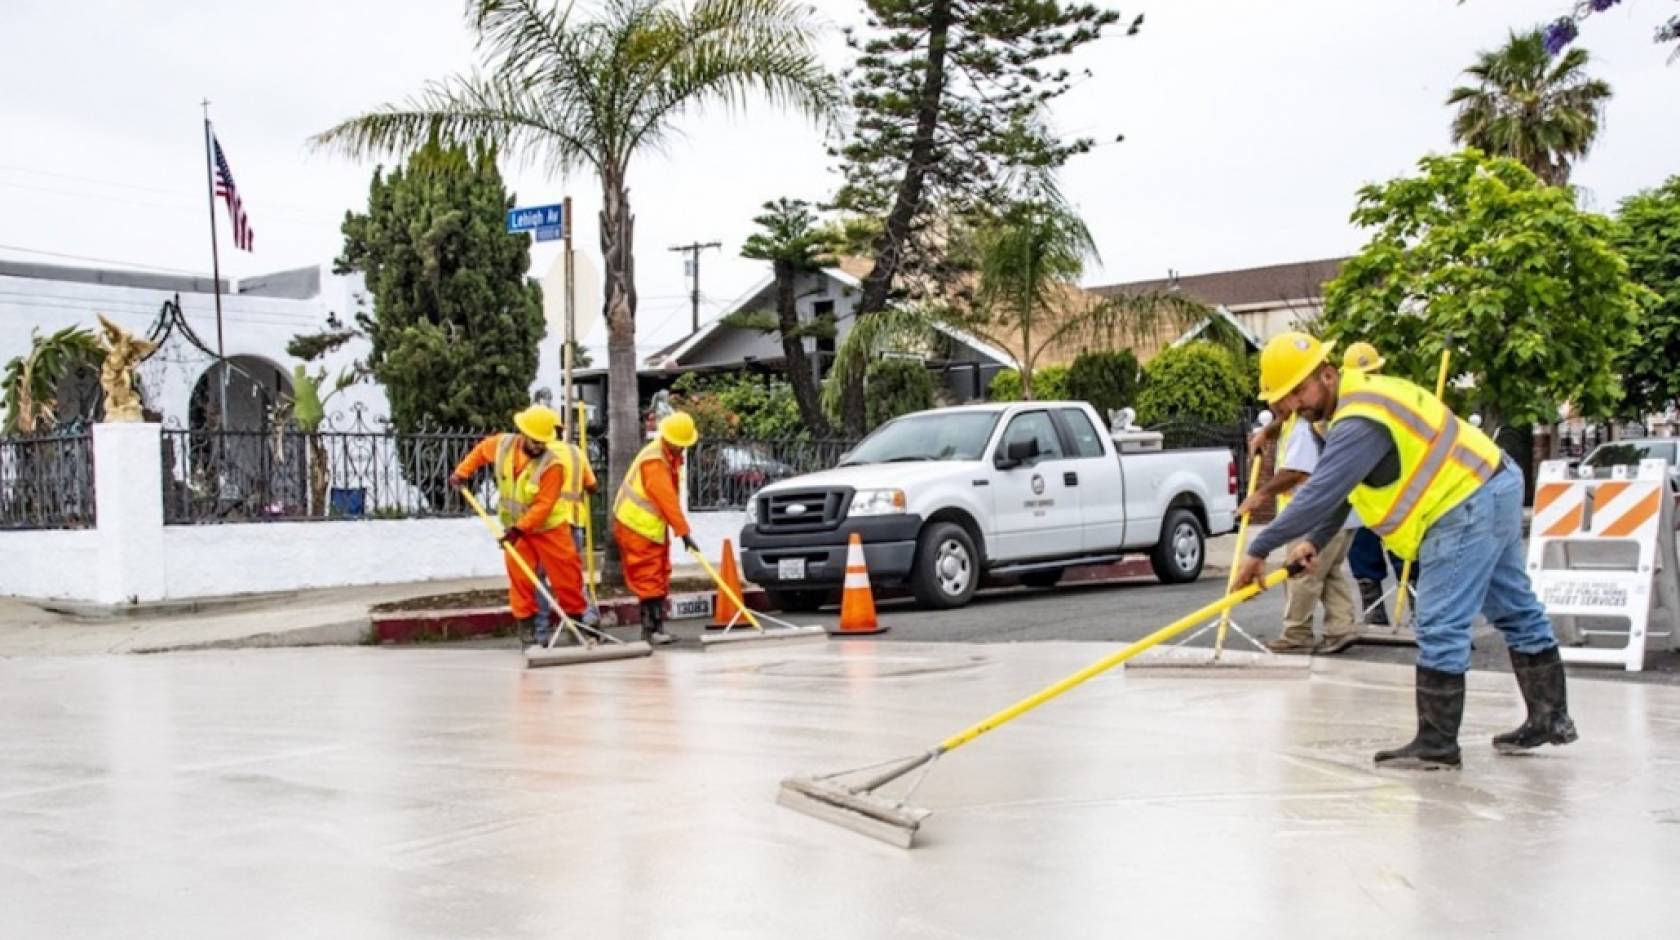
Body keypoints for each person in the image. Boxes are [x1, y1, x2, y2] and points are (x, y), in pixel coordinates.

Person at [1233, 332, 1578, 770]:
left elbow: (1320, 491)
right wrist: (1313, 541)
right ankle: (1550, 717)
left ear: (1327, 373)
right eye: (1285, 398)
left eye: (1300, 390)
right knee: (1514, 608)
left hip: (1464, 501)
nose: (1294, 403)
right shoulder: (1348, 409)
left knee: (1439, 624)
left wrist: (1259, 547)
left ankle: (1437, 744)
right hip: (1490, 483)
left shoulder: (1359, 419)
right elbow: (1343, 491)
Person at [449, 405, 589, 646]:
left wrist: (518, 530)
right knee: (521, 580)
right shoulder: (502, 445)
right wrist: (462, 473)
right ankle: (528, 631)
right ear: (523, 434)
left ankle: (577, 623)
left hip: (549, 529)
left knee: (567, 576)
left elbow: (543, 506)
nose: (539, 446)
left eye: (543, 442)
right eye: (535, 441)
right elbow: (481, 452)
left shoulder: (553, 466)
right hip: (516, 530)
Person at [1238, 402, 1360, 655]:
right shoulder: (1299, 421)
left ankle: (1297, 633)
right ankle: (1341, 628)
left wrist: (1261, 494)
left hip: (1315, 519)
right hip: (1340, 516)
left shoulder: (1303, 429)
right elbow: (1282, 421)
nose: (1273, 405)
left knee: (1302, 575)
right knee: (1328, 574)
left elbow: (1295, 471)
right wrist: (1266, 433)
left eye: (1277, 399)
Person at [612, 411, 701, 646]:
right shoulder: (655, 461)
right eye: (680, 445)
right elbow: (666, 500)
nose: (683, 449)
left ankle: (655, 627)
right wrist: (683, 532)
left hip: (649, 525)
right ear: (669, 439)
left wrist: (679, 531)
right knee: (648, 576)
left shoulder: (667, 455)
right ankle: (651, 629)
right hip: (636, 525)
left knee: (659, 573)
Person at [532, 430, 599, 644]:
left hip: (548, 525)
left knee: (539, 578)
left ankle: (540, 633)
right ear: (561, 432)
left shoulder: (539, 455)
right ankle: (585, 619)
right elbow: (592, 485)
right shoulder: (575, 452)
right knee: (571, 575)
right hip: (574, 521)